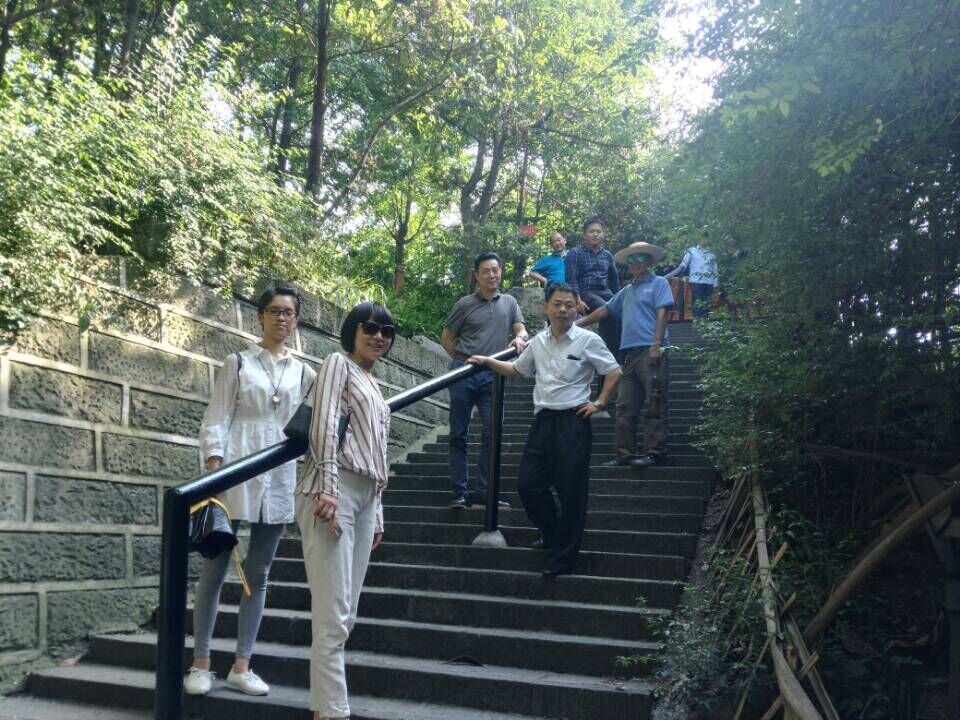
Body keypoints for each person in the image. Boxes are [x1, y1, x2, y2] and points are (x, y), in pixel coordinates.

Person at [187, 287, 316, 697]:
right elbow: (216, 418)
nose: (282, 318)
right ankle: (201, 663)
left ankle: (242, 665)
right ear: (260, 316)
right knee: (215, 569)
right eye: (274, 311)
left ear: (296, 320)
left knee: (258, 574)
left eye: (289, 313)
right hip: (236, 470)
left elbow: (317, 420)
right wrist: (214, 469)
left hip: (278, 476)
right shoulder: (238, 362)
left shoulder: (305, 373)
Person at [467, 283, 621, 576]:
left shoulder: (588, 340)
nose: (563, 309)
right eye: (558, 304)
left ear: (577, 309)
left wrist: (600, 403)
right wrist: (488, 362)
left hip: (574, 422)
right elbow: (517, 370)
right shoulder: (538, 342)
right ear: (546, 307)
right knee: (528, 486)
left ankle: (563, 558)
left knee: (571, 491)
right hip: (543, 422)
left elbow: (614, 371)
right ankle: (553, 533)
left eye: (569, 305)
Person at [296, 302, 395, 720]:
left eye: (386, 331)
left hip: (366, 497)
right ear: (353, 330)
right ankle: (333, 712)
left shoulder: (374, 383)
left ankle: (325, 706)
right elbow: (323, 425)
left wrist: (379, 512)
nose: (378, 336)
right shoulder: (338, 364)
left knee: (345, 615)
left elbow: (378, 452)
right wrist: (329, 488)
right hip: (332, 491)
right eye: (370, 327)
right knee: (334, 615)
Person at [441, 252, 529, 509]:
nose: (492, 275)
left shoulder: (509, 302)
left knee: (493, 432)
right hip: (464, 373)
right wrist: (462, 360)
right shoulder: (464, 304)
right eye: (486, 271)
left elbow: (521, 328)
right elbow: (446, 339)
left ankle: (485, 491)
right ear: (477, 275)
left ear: (500, 272)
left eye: (495, 270)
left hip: (493, 375)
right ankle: (459, 493)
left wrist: (520, 337)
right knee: (458, 433)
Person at [579, 241, 673, 468]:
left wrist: (656, 345)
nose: (635, 263)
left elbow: (662, 313)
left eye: (640, 258)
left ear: (649, 261)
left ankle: (655, 452)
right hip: (629, 355)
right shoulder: (627, 291)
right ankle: (624, 454)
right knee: (624, 405)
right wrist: (576, 325)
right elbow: (605, 310)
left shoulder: (659, 283)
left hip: (651, 349)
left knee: (654, 401)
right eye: (631, 259)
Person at [563, 217, 620, 359]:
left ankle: (619, 354)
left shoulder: (607, 255)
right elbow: (571, 280)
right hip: (585, 293)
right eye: (591, 231)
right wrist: (577, 300)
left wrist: (621, 299)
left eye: (598, 231)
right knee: (608, 310)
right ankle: (609, 357)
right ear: (584, 235)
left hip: (605, 292)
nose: (595, 234)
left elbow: (614, 282)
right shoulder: (575, 253)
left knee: (622, 311)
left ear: (603, 234)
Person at [664, 230, 718, 318]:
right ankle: (697, 324)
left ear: (708, 239)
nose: (703, 239)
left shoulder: (712, 253)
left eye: (705, 237)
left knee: (706, 306)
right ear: (698, 238)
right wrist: (667, 276)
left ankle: (705, 324)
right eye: (701, 237)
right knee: (697, 305)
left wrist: (715, 284)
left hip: (709, 282)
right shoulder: (691, 251)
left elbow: (715, 269)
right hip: (696, 282)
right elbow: (683, 266)